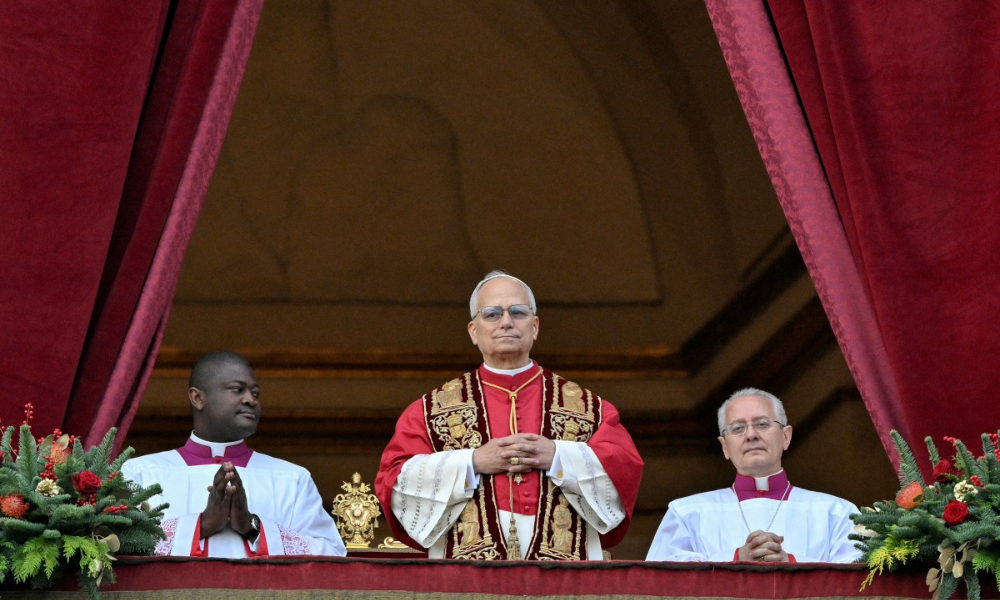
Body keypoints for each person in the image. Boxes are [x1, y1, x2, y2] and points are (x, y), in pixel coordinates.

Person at [375, 271, 643, 560]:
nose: (506, 322)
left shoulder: (590, 408)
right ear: (473, 331)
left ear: (535, 326)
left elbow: (624, 471)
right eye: (491, 314)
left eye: (518, 312)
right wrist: (472, 462)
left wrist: (558, 456)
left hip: (565, 570)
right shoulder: (429, 411)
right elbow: (393, 482)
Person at [122, 351, 346, 558]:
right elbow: (115, 546)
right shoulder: (140, 473)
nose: (251, 399)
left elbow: (331, 554)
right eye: (237, 389)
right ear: (198, 398)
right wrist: (202, 525)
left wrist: (252, 526)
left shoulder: (293, 478)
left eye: (255, 392)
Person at [646, 388, 860, 563]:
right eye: (738, 428)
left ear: (786, 437)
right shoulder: (685, 513)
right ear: (725, 448)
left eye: (762, 424)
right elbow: (661, 580)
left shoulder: (838, 513)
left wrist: (791, 562)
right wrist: (736, 558)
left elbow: (859, 581)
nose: (750, 435)